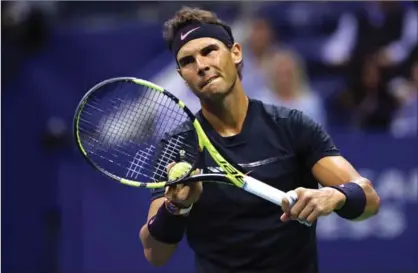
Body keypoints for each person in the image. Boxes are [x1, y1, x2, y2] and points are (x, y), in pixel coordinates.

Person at [139, 7, 381, 273]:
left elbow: (369, 200)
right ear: (182, 75)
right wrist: (176, 207)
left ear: (236, 53)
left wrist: (334, 195)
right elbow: (155, 253)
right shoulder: (178, 145)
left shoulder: (291, 125)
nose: (201, 65)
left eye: (209, 51)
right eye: (187, 61)